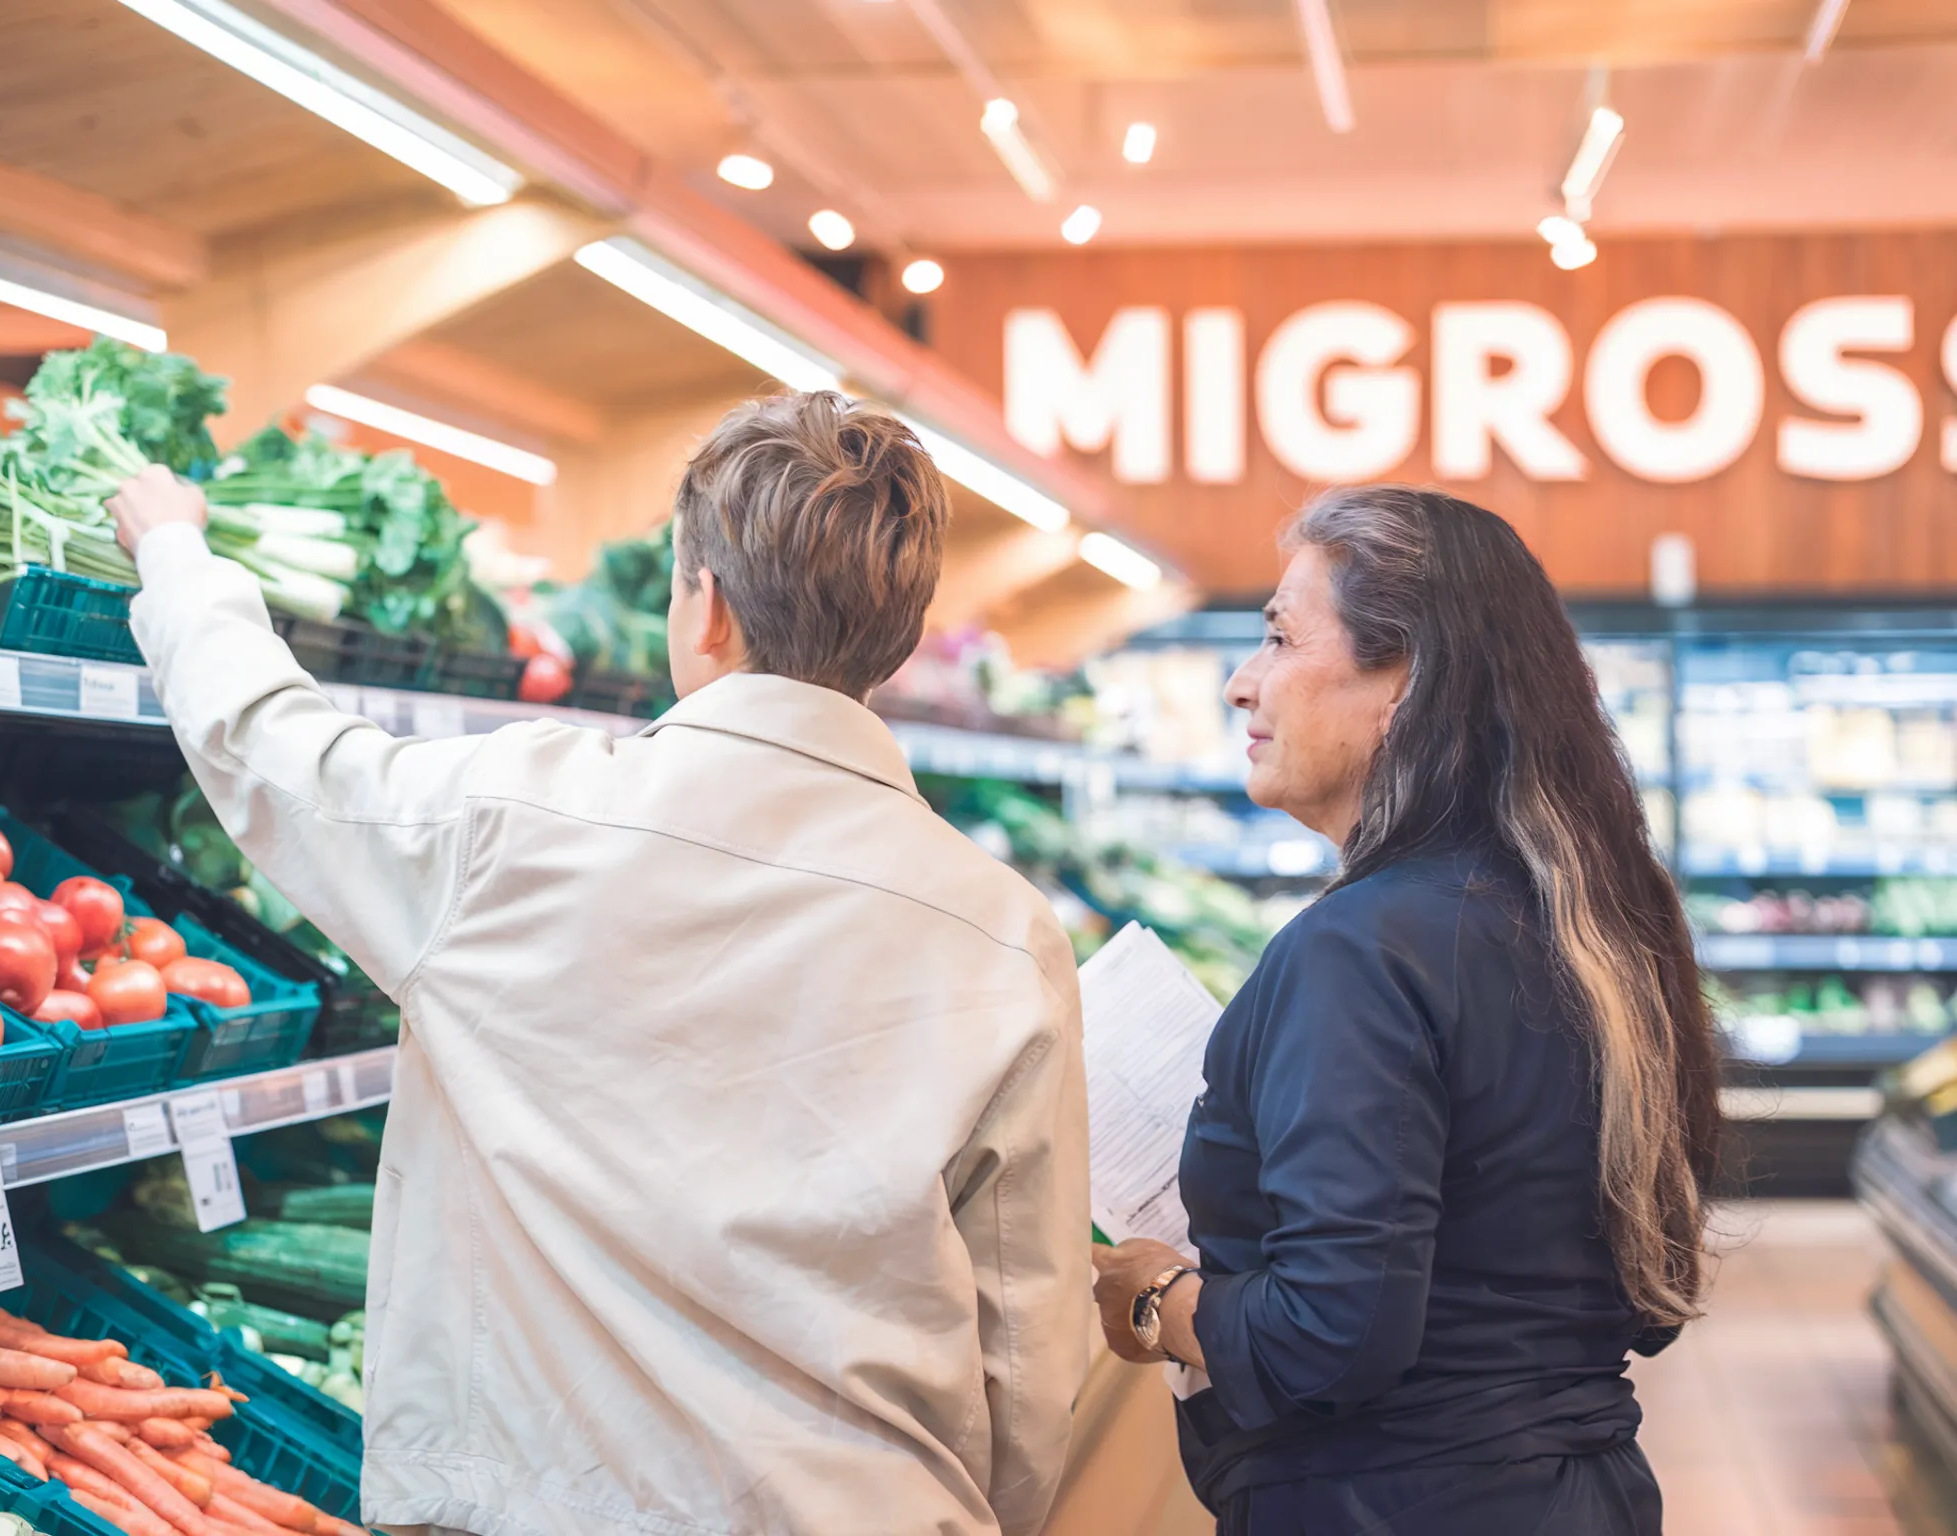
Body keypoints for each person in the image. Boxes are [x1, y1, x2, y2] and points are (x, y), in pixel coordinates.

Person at [109, 391, 1093, 1536]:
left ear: (705, 606)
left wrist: (178, 556)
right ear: (899, 636)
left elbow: (274, 751)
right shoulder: (1004, 934)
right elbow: (1026, 1343)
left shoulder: (512, 820)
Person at [1090, 486, 1721, 1535]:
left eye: (1279, 638)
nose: (1242, 685)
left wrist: (1155, 1298)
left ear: (1406, 685)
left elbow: (1327, 1338)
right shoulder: (1597, 923)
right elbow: (1646, 1290)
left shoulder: (1356, 952)